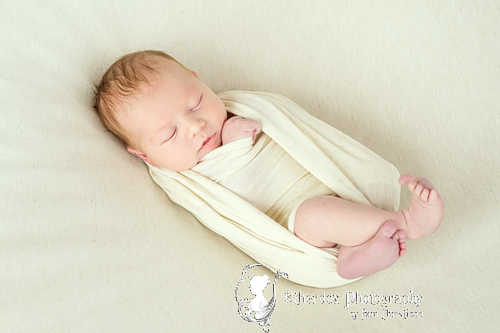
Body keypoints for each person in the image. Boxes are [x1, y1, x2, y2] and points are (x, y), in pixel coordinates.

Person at [94, 50, 444, 280]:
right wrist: (233, 145)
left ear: (199, 79)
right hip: (292, 221)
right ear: (143, 155)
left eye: (196, 102)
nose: (195, 127)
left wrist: (238, 126)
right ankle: (407, 223)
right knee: (315, 215)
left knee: (332, 209)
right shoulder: (184, 178)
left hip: (325, 178)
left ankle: (356, 251)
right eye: (169, 135)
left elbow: (288, 124)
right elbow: (223, 201)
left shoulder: (242, 106)